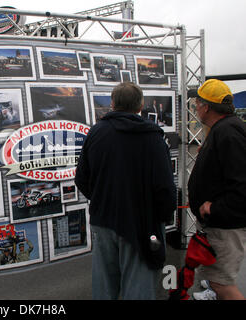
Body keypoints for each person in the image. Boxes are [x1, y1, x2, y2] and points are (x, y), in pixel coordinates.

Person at [75, 82, 176, 300]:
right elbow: (165, 187)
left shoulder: (96, 133)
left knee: (104, 285)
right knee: (139, 286)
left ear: (112, 104)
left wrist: (103, 199)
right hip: (142, 222)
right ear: (141, 105)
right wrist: (164, 216)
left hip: (104, 220)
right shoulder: (153, 137)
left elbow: (81, 178)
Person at [187, 79, 246, 300]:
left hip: (225, 227)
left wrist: (215, 208)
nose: (196, 108)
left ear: (206, 107)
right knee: (216, 280)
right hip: (219, 225)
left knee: (222, 284)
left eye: (197, 104)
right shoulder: (224, 128)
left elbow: (242, 185)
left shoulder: (229, 133)